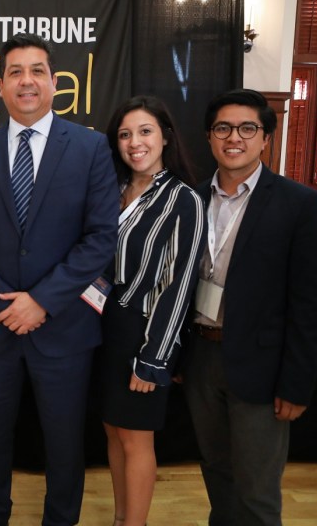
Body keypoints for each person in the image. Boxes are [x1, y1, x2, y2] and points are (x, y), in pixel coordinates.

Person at [0, 32, 119, 526]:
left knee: (65, 443)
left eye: (36, 71)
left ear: (55, 81)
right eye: (15, 72)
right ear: (0, 86)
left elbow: (100, 237)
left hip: (64, 327)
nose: (27, 81)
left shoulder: (90, 148)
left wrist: (41, 301)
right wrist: (8, 303)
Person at [183, 89, 317, 526]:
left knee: (257, 492)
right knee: (217, 474)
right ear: (209, 137)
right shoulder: (189, 199)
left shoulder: (297, 204)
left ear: (265, 138)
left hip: (261, 367)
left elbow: (308, 303)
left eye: (248, 129)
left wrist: (297, 384)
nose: (235, 138)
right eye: (223, 128)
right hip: (200, 357)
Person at [101, 96, 205, 526]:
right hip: (102, 327)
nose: (134, 142)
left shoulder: (184, 199)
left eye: (144, 132)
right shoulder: (114, 190)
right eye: (125, 134)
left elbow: (178, 286)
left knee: (136, 438)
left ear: (165, 137)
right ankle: (121, 518)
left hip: (143, 333)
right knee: (113, 429)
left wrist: (153, 359)